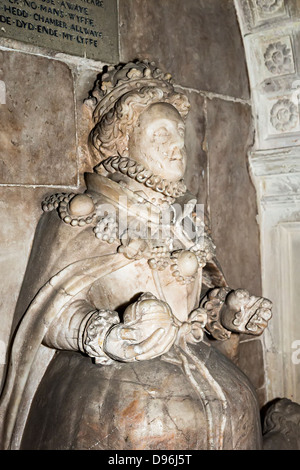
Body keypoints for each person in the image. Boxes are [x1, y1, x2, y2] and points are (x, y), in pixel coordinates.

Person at [0, 60, 272, 450]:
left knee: (242, 404)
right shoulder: (84, 215)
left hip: (204, 381)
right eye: (160, 134)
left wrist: (227, 310)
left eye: (178, 133)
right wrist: (111, 336)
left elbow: (197, 302)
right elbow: (48, 315)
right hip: (109, 390)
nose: (177, 146)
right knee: (141, 421)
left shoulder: (185, 220)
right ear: (123, 139)